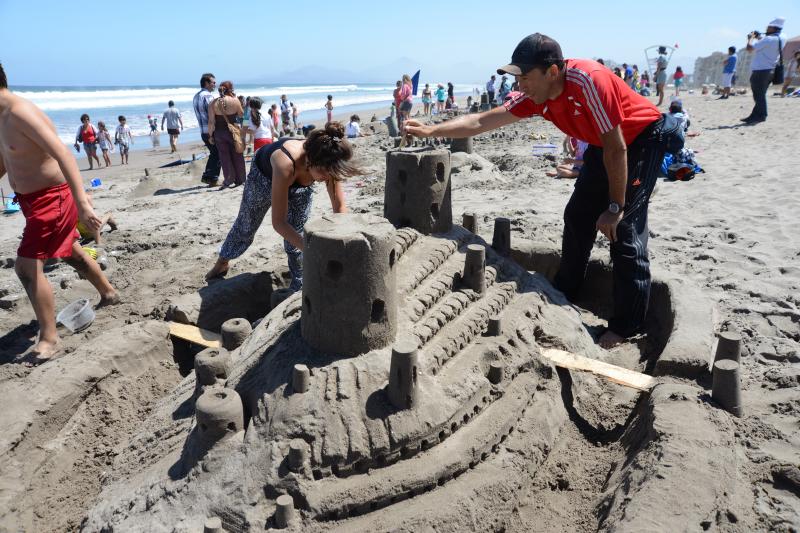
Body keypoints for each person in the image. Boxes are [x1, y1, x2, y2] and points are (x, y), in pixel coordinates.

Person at [405, 33, 683, 349]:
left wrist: (616, 207)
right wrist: (431, 130)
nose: (520, 86)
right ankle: (566, 290)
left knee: (624, 230)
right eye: (517, 79)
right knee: (577, 215)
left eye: (525, 78)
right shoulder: (537, 95)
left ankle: (627, 326)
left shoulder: (588, 81)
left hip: (642, 138)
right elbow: (481, 121)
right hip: (603, 143)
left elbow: (616, 148)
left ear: (552, 72)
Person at [0, 63, 118, 363]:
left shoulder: (19, 113)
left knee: (26, 268)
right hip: (31, 201)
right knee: (69, 252)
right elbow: (8, 160)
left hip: (53, 199)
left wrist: (82, 202)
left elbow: (63, 153)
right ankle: (108, 293)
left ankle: (50, 338)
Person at [205, 122, 360, 290]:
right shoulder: (285, 163)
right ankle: (223, 261)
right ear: (311, 161)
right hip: (264, 177)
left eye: (332, 173)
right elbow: (278, 223)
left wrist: (345, 242)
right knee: (246, 226)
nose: (327, 177)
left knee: (297, 233)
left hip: (300, 184)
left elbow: (340, 207)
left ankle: (299, 284)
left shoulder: (329, 161)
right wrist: (312, 251)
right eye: (324, 173)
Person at [742, 18, 785, 124]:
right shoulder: (782, 37)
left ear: (774, 28)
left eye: (769, 27)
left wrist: (750, 38)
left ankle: (761, 116)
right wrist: (759, 37)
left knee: (758, 94)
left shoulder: (768, 39)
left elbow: (750, 48)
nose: (766, 28)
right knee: (760, 94)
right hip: (770, 70)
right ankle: (755, 114)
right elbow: (767, 42)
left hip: (761, 71)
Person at [208, 81, 246, 188]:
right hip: (233, 130)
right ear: (231, 89)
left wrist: (210, 135)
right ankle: (241, 179)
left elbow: (211, 121)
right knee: (237, 154)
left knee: (224, 157)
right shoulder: (235, 100)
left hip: (219, 133)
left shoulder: (213, 103)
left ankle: (228, 179)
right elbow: (241, 114)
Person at [192, 73, 221, 186]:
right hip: (211, 130)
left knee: (214, 153)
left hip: (203, 130)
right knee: (217, 153)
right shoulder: (208, 96)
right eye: (213, 82)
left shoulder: (196, 96)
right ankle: (212, 179)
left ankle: (209, 177)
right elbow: (213, 115)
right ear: (206, 83)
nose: (215, 84)